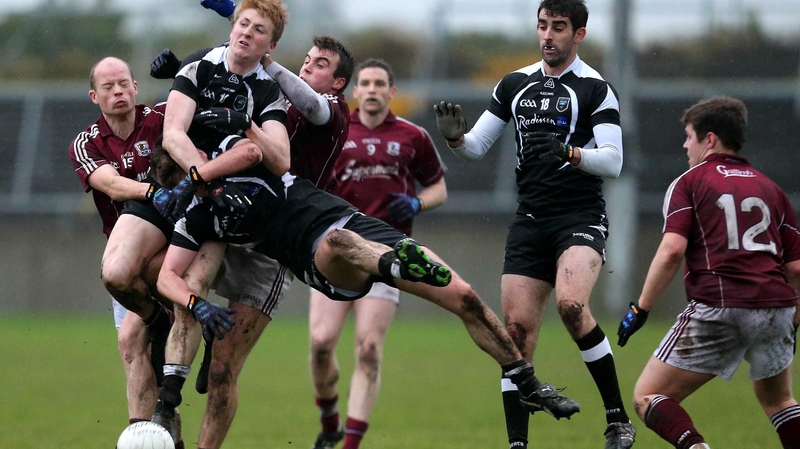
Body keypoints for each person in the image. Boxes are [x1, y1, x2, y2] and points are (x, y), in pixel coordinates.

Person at [147, 142, 581, 442]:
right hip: (318, 259)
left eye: (197, 159)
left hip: (360, 224)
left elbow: (254, 146)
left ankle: (527, 381)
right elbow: (170, 276)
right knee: (341, 246)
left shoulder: (246, 161)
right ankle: (396, 263)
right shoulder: (198, 220)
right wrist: (197, 305)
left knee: (463, 295)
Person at [432, 1, 633, 448]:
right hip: (530, 219)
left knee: (571, 307)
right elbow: (476, 147)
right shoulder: (515, 84)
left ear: (578, 34)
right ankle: (517, 445)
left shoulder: (596, 88)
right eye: (542, 25)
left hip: (579, 216)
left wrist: (570, 153)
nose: (548, 35)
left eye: (558, 27)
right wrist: (453, 138)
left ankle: (618, 419)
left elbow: (614, 162)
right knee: (515, 338)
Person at [150, 28, 355, 447]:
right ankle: (165, 400)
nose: (309, 65)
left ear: (337, 83)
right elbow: (222, 85)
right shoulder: (264, 91)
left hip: (271, 240)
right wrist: (181, 75)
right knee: (179, 290)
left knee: (225, 370)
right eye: (309, 58)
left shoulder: (330, 109)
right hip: (223, 216)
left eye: (321, 65)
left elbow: (274, 133)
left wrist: (259, 65)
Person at [616, 96, 800, 449]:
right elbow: (796, 269)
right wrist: (792, 320)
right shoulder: (772, 189)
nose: (686, 145)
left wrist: (641, 308)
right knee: (780, 402)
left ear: (710, 138)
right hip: (777, 306)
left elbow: (671, 251)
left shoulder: (690, 182)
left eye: (689, 136)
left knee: (648, 394)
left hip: (721, 305)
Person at [148, 1, 294, 448]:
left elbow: (278, 159)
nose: (247, 33)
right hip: (208, 205)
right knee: (189, 289)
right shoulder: (197, 67)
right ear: (232, 27)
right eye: (243, 24)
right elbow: (173, 134)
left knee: (224, 367)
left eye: (259, 30)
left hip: (257, 229)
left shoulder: (269, 93)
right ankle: (165, 400)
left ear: (271, 45)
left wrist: (246, 125)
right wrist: (203, 183)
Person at [308, 58, 448, 449]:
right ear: (354, 91)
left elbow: (438, 188)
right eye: (365, 83)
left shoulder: (412, 135)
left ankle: (350, 445)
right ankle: (329, 419)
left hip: (388, 255)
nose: (371, 89)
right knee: (321, 344)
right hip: (333, 251)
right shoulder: (333, 130)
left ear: (392, 92)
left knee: (368, 349)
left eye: (379, 83)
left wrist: (417, 205)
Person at [68, 56, 174, 432]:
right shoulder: (86, 142)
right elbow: (110, 184)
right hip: (124, 257)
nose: (118, 91)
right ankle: (154, 437)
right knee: (135, 353)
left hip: (171, 250)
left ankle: (141, 435)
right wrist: (154, 191)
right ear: (94, 96)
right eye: (108, 87)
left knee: (133, 340)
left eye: (124, 83)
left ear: (135, 88)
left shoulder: (163, 118)